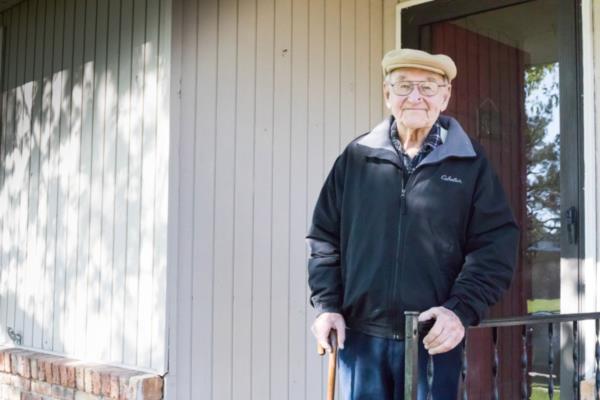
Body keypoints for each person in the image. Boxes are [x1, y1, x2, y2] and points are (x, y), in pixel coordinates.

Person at [307, 48, 519, 399]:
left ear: (445, 96)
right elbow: (324, 239)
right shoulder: (356, 158)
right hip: (360, 342)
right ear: (387, 94)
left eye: (429, 87)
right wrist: (327, 305)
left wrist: (459, 311)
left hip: (432, 341)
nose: (416, 97)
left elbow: (495, 244)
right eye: (403, 86)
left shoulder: (471, 163)